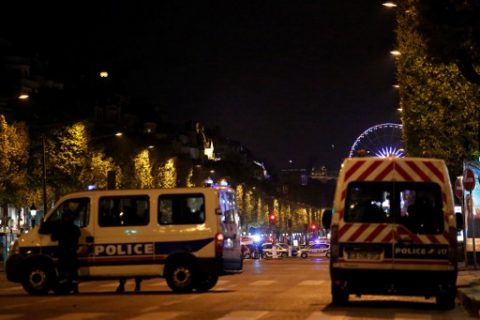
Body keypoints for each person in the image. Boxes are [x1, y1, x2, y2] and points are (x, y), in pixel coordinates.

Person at [51, 205, 81, 294]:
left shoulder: (60, 228)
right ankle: (74, 288)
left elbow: (53, 238)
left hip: (64, 252)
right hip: (71, 252)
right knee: (72, 272)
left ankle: (65, 288)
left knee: (64, 272)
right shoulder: (75, 229)